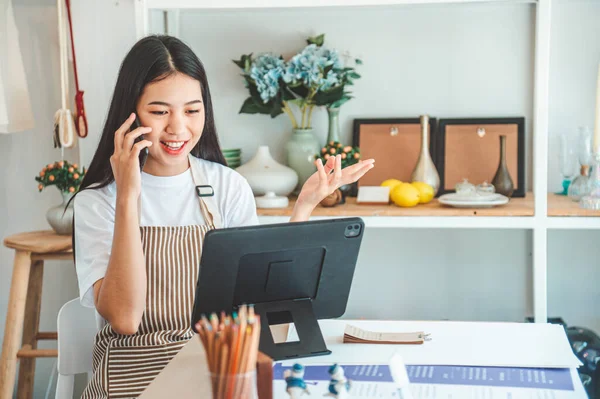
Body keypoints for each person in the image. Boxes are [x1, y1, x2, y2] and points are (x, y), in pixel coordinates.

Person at [72, 34, 374, 398]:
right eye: (160, 111)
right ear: (130, 113)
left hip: (217, 373)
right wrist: (128, 195)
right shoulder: (97, 201)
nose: (178, 128)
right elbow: (124, 318)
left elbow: (261, 315)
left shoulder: (227, 186)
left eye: (192, 110)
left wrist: (303, 208)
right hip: (131, 381)